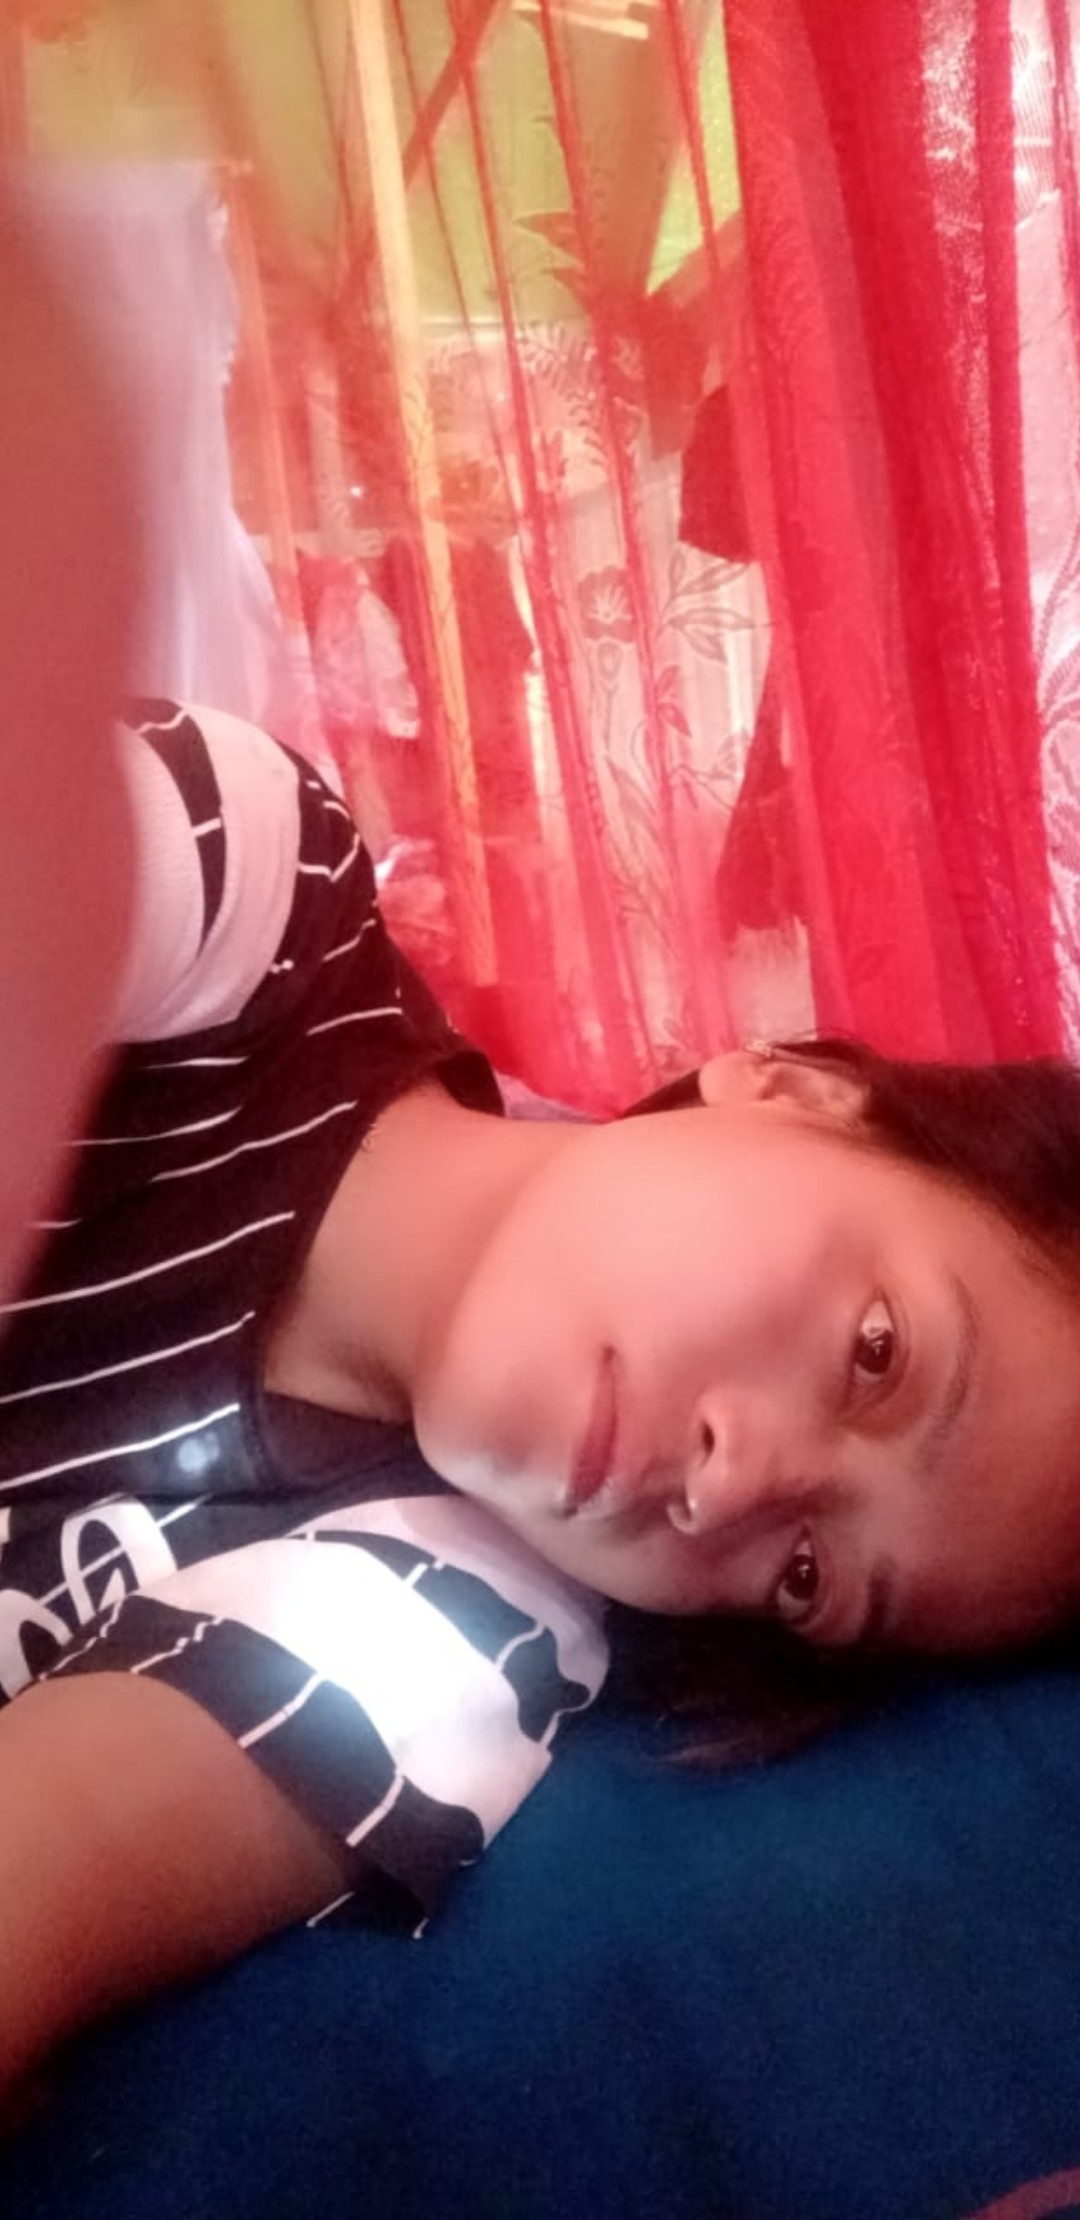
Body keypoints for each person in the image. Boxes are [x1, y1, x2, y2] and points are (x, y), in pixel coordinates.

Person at [5, 700, 1080, 2103]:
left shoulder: (459, 1644)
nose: (731, 1490)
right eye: (877, 1354)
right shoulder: (255, 891)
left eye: (809, 1575)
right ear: (800, 1088)